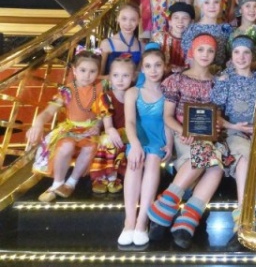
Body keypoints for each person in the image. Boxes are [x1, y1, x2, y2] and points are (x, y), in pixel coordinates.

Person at [147, 33, 229, 249]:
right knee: (206, 154)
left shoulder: (218, 83)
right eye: (201, 49)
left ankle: (184, 219)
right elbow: (167, 116)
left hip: (208, 138)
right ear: (192, 51)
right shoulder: (177, 80)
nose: (205, 54)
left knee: (216, 168)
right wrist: (181, 131)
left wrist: (217, 125)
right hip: (182, 135)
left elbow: (217, 116)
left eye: (210, 50)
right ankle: (170, 211)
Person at [211, 35, 256, 239]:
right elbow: (215, 113)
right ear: (231, 56)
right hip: (234, 130)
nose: (241, 57)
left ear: (253, 56)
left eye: (246, 53)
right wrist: (233, 126)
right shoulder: (225, 80)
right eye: (237, 52)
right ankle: (243, 216)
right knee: (243, 158)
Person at [29, 48, 104, 202]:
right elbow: (49, 111)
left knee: (90, 147)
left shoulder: (100, 88)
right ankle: (57, 183)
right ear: (74, 70)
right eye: (83, 70)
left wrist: (98, 125)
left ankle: (71, 182)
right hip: (70, 128)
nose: (87, 75)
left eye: (92, 71)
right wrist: (38, 123)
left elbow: (104, 113)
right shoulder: (67, 90)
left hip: (90, 130)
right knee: (66, 145)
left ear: (98, 73)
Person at [118, 46, 171, 247]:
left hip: (158, 138)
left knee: (153, 160)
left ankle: (142, 221)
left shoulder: (168, 92)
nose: (153, 70)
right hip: (138, 137)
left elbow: (168, 121)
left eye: (157, 65)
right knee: (135, 162)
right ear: (142, 69)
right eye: (148, 66)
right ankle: (129, 221)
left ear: (164, 67)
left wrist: (170, 144)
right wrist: (135, 144)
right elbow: (130, 122)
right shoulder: (133, 92)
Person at [89, 55, 136, 194]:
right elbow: (108, 125)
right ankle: (105, 176)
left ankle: (114, 176)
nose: (120, 80)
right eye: (116, 75)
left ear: (133, 77)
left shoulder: (135, 95)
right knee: (108, 140)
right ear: (110, 77)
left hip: (130, 132)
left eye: (125, 75)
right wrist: (110, 130)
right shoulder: (106, 97)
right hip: (114, 132)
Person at [151, 2, 195, 75]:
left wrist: (183, 69)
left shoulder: (195, 41)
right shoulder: (158, 37)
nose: (180, 21)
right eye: (176, 17)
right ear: (170, 21)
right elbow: (150, 60)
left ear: (192, 22)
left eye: (185, 18)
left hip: (187, 78)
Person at [99, 3, 143, 75]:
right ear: (117, 19)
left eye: (133, 20)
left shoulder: (142, 46)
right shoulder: (106, 44)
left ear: (139, 21)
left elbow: (140, 76)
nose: (128, 24)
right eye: (124, 19)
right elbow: (99, 75)